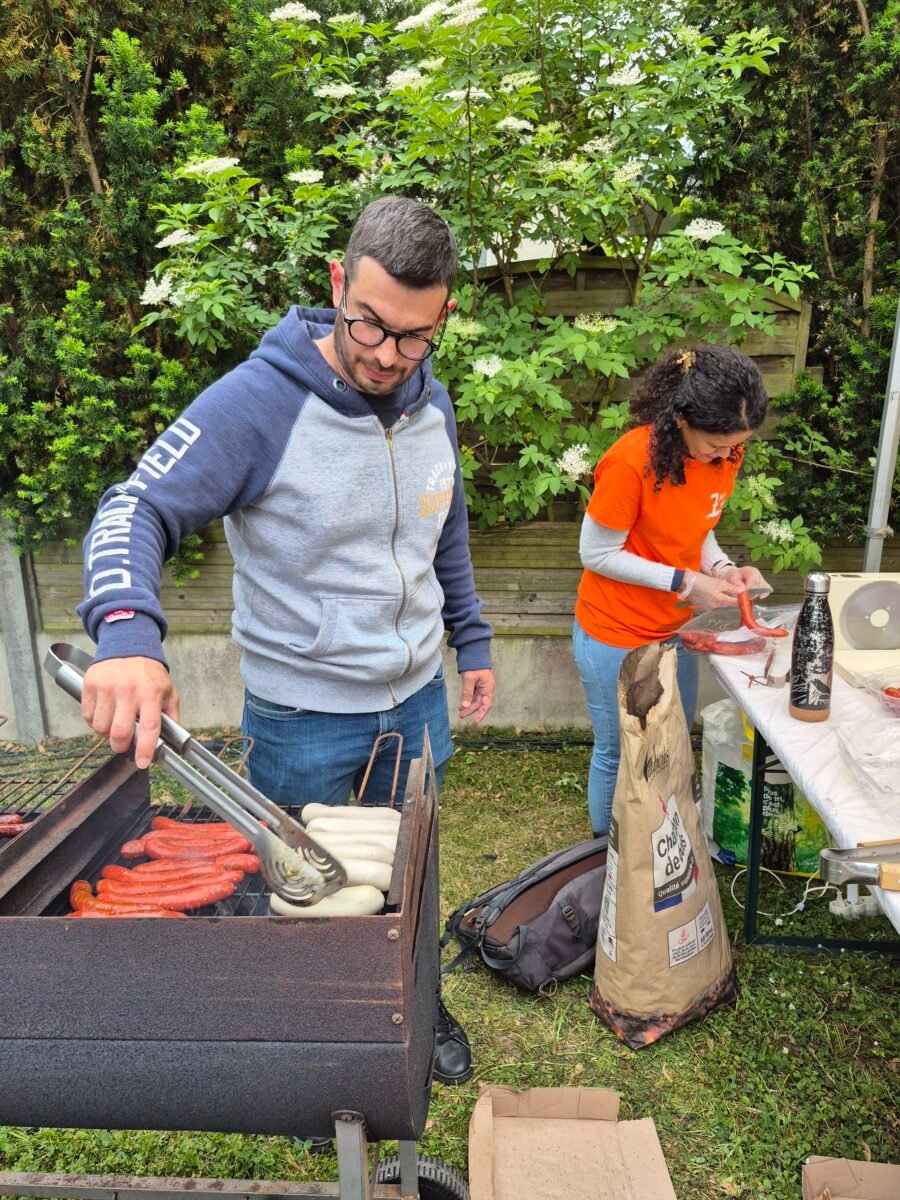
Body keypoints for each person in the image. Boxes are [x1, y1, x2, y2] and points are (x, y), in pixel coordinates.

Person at [77, 195, 495, 1087]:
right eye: (368, 323)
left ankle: (417, 995)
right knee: (299, 888)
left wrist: (475, 637)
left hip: (416, 695)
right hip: (304, 711)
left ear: (444, 315)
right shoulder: (256, 405)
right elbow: (134, 508)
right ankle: (315, 1039)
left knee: (408, 869)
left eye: (414, 337)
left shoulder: (434, 404)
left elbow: (442, 526)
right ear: (338, 282)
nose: (387, 354)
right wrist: (125, 634)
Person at [572, 344, 771, 836]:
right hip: (614, 633)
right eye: (717, 446)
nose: (728, 456)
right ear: (680, 418)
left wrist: (722, 569)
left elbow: (697, 526)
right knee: (621, 751)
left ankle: (656, 850)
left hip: (674, 631)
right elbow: (596, 554)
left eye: (735, 447)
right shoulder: (630, 462)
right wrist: (687, 582)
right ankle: (605, 861)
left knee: (669, 742)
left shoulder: (727, 450)